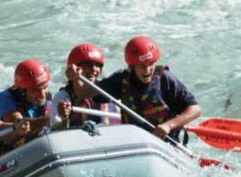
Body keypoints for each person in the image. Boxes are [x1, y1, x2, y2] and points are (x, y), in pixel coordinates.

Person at [66, 36, 201, 142]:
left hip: (167, 144)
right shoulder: (121, 80)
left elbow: (195, 109)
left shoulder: (165, 79)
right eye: (142, 66)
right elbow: (83, 93)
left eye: (151, 64)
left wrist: (169, 125)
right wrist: (76, 78)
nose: (148, 70)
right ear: (132, 66)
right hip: (135, 143)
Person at [0, 59, 52, 157]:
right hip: (15, 155)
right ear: (22, 90)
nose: (42, 95)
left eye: (45, 87)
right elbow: (20, 124)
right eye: (35, 90)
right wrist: (50, 119)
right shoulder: (5, 97)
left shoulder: (46, 96)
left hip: (41, 151)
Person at [51, 43, 120, 127]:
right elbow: (56, 133)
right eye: (88, 65)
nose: (94, 69)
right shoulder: (62, 97)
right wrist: (64, 118)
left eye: (97, 65)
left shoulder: (105, 91)